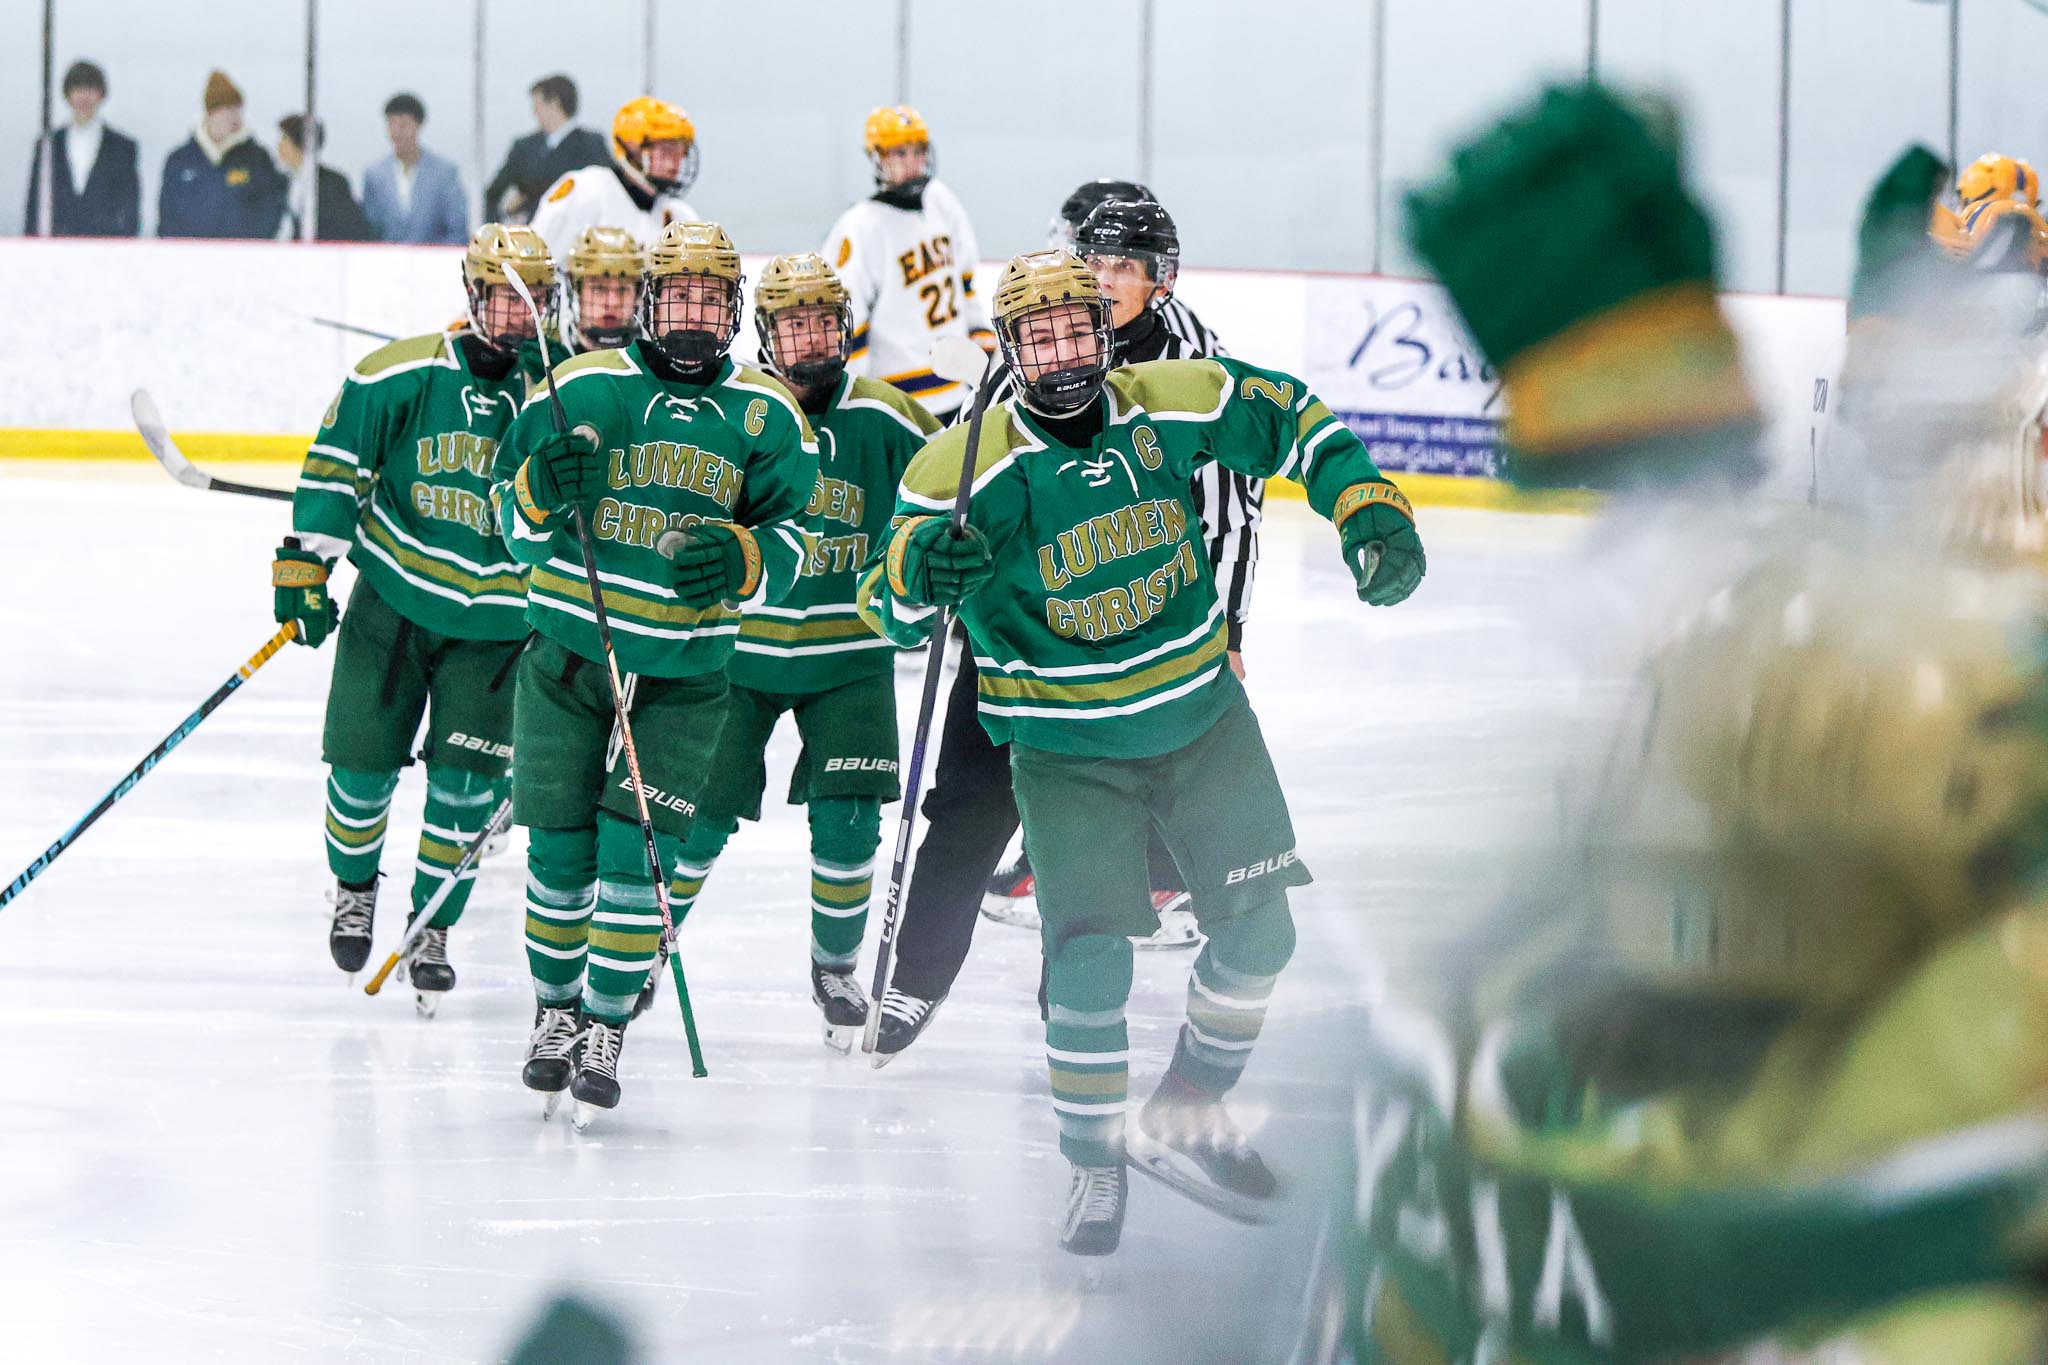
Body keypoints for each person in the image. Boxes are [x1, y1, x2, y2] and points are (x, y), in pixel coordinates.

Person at [857, 250, 1424, 1254]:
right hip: (1066, 752)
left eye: (1078, 329)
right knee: (1087, 968)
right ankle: (1091, 1167)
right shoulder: (966, 465)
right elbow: (886, 604)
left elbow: (1290, 414)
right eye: (1041, 337)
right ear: (1011, 349)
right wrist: (916, 569)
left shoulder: (1166, 400)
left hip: (1202, 722)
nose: (1064, 351)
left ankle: (1185, 1111)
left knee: (1261, 941)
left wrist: (1363, 501)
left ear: (1104, 329)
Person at [878, 196, 1260, 1061]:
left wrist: (1227, 624)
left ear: (1160, 279)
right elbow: (963, 467)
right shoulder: (1042, 328)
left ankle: (1074, 988)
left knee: (1104, 821)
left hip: (1135, 634)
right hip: (1016, 628)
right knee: (969, 804)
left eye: (1129, 266)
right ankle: (914, 979)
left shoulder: (1195, 364)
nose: (1109, 280)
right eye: (1099, 262)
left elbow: (1234, 510)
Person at [492, 221, 817, 1124]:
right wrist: (534, 493)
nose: (693, 312)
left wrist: (749, 558)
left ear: (733, 311)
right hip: (567, 656)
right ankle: (555, 1011)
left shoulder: (766, 415)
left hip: (685, 675)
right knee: (557, 846)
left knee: (642, 854)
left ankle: (605, 1024)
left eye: (711, 298)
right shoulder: (582, 386)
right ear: (647, 300)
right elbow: (506, 520)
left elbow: (801, 540)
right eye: (678, 294)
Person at [658, 253, 940, 1051]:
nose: (814, 338)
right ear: (766, 331)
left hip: (848, 655)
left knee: (849, 822)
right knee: (696, 815)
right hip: (734, 656)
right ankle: (643, 947)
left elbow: (953, 490)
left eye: (826, 320)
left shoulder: (889, 416)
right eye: (795, 323)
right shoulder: (733, 410)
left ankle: (834, 966)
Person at [272, 224, 554, 1012]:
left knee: (465, 790)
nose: (515, 318)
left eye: (530, 303)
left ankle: (431, 925)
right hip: (392, 604)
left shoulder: (562, 395)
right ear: (473, 295)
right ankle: (355, 886)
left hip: (499, 630)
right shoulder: (397, 375)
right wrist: (307, 561)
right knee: (360, 768)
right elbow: (337, 466)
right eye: (502, 299)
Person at [819, 106, 994, 420]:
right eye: (899, 153)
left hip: (959, 389)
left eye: (918, 151)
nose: (912, 163)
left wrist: (985, 359)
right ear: (877, 159)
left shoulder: (942, 201)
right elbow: (849, 320)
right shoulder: (860, 227)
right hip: (898, 402)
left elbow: (965, 286)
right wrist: (855, 401)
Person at [527, 97, 699, 266]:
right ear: (631, 147)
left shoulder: (680, 217)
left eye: (682, 151)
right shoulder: (585, 191)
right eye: (667, 149)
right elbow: (533, 265)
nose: (677, 162)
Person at [158, 69, 285, 240]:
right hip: (190, 259)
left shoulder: (257, 159)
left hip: (244, 258)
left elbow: (271, 210)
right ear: (211, 113)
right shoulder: (180, 160)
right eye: (228, 110)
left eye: (238, 110)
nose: (235, 118)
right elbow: (168, 216)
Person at [24, 59, 139, 237]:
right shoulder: (47, 145)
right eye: (78, 89)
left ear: (102, 94)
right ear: (68, 94)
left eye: (90, 89)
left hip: (106, 247)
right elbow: (34, 205)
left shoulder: (122, 148)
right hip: (56, 245)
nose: (84, 97)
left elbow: (130, 207)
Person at [483, 74, 611, 225]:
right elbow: (493, 193)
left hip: (578, 235)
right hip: (532, 237)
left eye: (537, 105)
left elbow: (607, 192)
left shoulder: (591, 145)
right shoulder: (524, 148)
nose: (534, 112)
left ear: (555, 104)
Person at [362, 93, 470, 245]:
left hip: (434, 262)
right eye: (392, 124)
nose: (397, 132)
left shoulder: (444, 173)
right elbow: (368, 229)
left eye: (404, 125)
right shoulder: (374, 175)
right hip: (386, 262)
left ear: (419, 126)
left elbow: (457, 229)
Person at [276, 114, 376, 243]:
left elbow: (349, 229)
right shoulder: (278, 182)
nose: (279, 145)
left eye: (284, 139)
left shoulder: (333, 184)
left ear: (301, 144)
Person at [558, 225, 646, 355]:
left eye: (622, 290)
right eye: (598, 289)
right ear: (577, 290)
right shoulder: (550, 351)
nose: (612, 303)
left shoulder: (652, 356)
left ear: (637, 293)